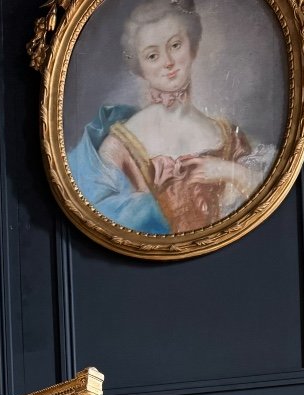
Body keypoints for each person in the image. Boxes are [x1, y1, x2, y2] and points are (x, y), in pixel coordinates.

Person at [67, 0, 275, 235]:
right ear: (139, 66)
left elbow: (261, 201)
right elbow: (99, 216)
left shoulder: (230, 137)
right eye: (152, 55)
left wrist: (228, 171)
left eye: (175, 45)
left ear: (193, 46)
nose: (168, 62)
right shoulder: (120, 144)